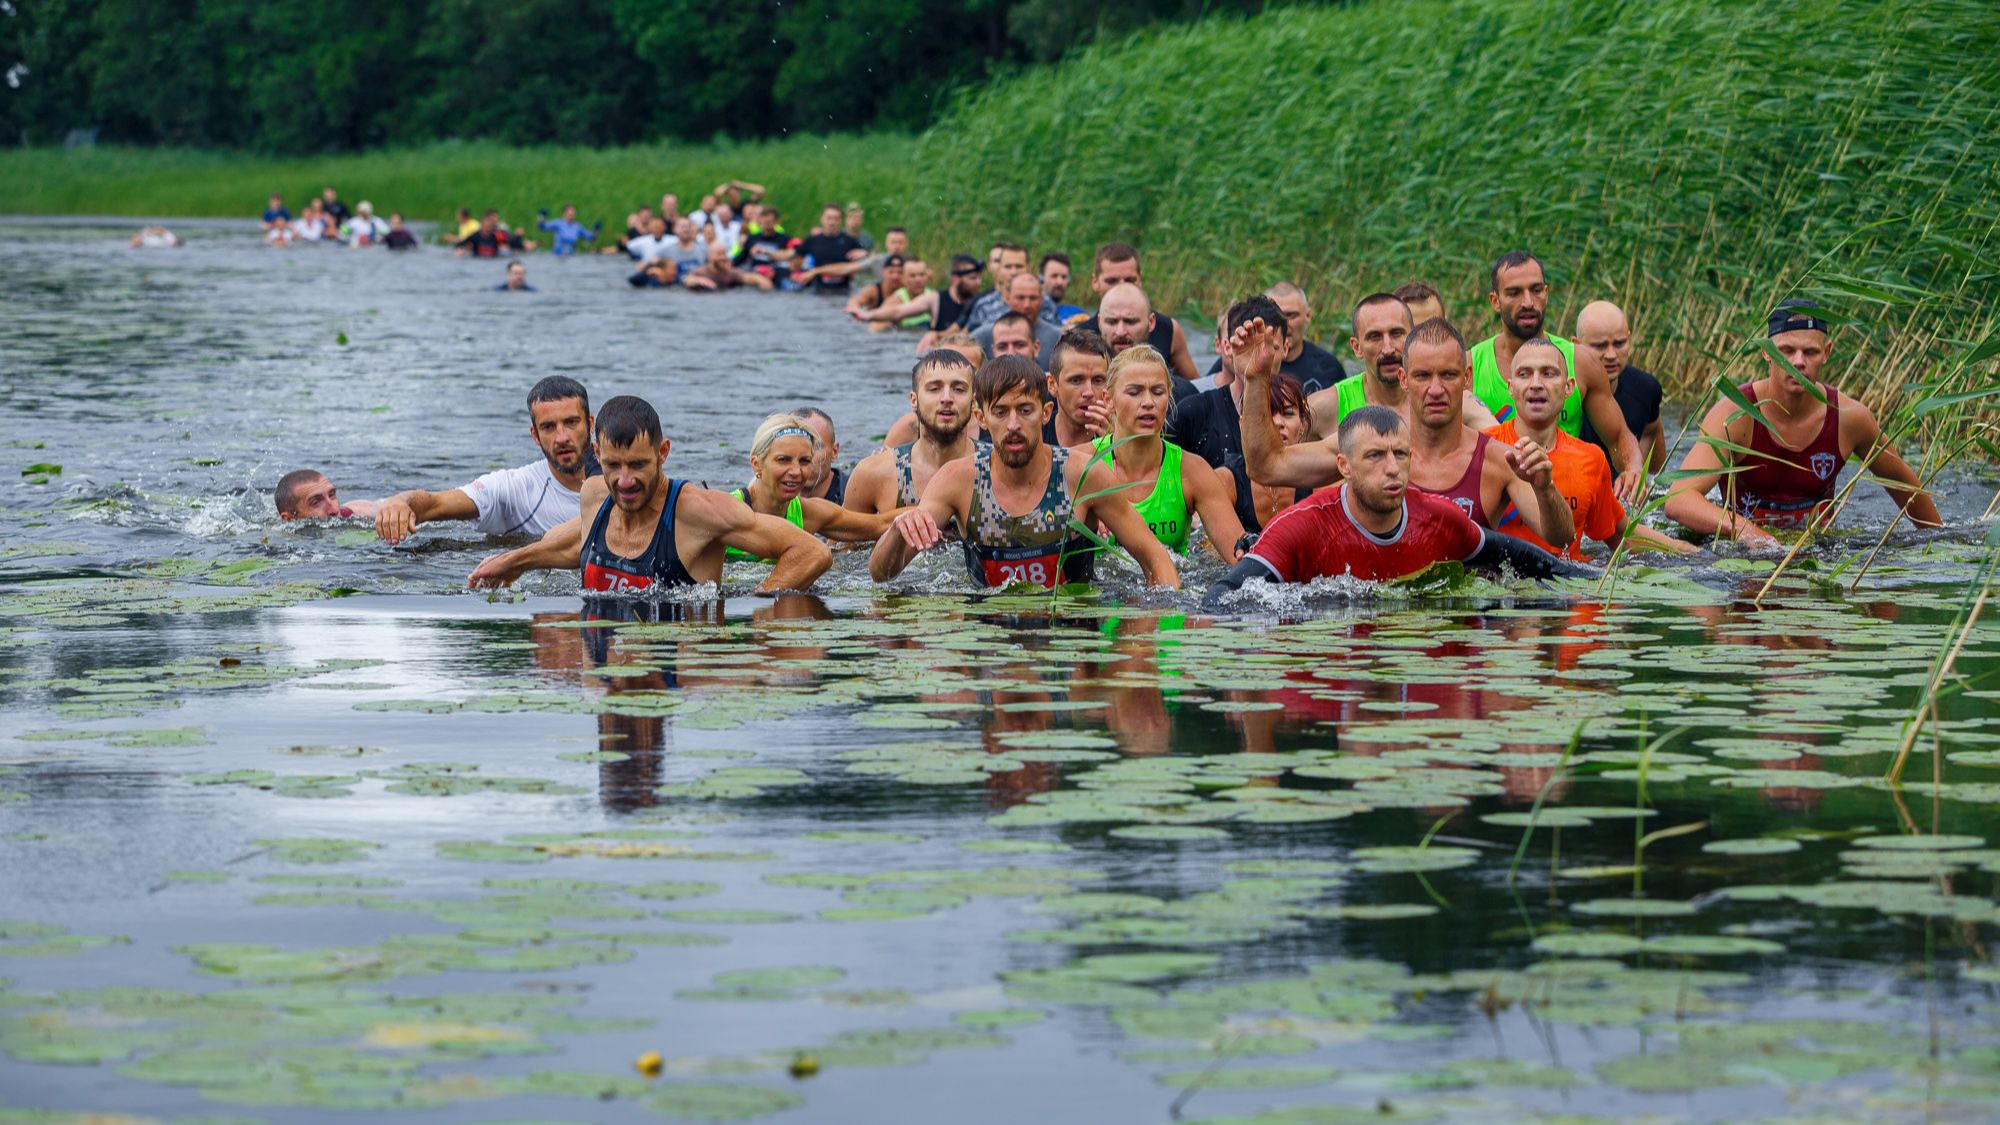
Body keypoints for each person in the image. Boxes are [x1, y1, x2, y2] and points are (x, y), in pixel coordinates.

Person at [1201, 406, 1594, 608]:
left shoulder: (1438, 518)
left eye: (1400, 454)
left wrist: (1591, 581)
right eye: (1375, 456)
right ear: (1344, 466)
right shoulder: (1299, 526)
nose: (1391, 468)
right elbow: (1224, 596)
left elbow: (1519, 557)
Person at [1237, 315, 1576, 547]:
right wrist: (1255, 380)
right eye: (1423, 376)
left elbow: (1561, 538)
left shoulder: (1498, 459)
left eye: (1448, 375)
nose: (1435, 389)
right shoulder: (1364, 444)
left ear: (1466, 378)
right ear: (1403, 379)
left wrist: (1545, 488)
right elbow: (1266, 467)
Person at [870, 355, 1180, 589]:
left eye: (1025, 410)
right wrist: (898, 530)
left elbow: (1155, 558)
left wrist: (1157, 631)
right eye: (1000, 412)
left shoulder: (1082, 475)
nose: (1013, 425)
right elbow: (881, 574)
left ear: (1045, 413)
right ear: (981, 417)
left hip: (1073, 633)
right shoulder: (958, 480)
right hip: (986, 635)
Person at [466, 396, 831, 594]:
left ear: (663, 453)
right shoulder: (594, 494)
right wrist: (514, 562)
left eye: (638, 464)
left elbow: (811, 552)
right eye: (613, 465)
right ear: (597, 455)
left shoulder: (698, 510)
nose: (625, 481)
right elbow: (576, 543)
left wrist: (759, 607)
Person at [1663, 299, 1941, 548]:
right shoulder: (1735, 414)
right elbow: (1678, 500)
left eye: (1810, 352)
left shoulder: (1849, 418)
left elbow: (1906, 487)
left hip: (1818, 551)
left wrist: (1942, 545)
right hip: (1742, 558)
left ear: (1826, 352)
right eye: (1787, 350)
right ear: (1766, 352)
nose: (1798, 362)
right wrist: (1745, 530)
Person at [1486, 339, 1693, 559]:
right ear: (1511, 387)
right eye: (1524, 374)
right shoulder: (1484, 447)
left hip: (1567, 578)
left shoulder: (1590, 459)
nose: (1536, 384)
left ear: (1568, 387)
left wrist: (1688, 552)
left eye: (1548, 373)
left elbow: (1620, 534)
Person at [1470, 251, 1643, 501]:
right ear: (1495, 301)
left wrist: (1633, 469)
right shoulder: (1470, 367)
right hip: (1499, 506)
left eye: (1536, 290)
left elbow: (1618, 436)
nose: (1528, 302)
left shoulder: (1581, 363)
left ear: (1546, 293)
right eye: (1514, 293)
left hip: (1566, 499)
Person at [371, 377, 597, 544]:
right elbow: (433, 504)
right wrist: (399, 503)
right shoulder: (515, 489)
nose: (561, 437)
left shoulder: (617, 480)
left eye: (571, 422)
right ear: (535, 436)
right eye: (548, 427)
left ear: (590, 424)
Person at [1091, 345, 1246, 562]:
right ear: (1108, 400)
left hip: (1175, 583)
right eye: (1134, 392)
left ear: (1168, 397)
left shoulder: (1192, 471)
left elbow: (1241, 559)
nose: (1148, 402)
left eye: (1157, 392)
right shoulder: (1082, 465)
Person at [1304, 294, 1496, 437]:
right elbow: (1285, 460)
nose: (1388, 349)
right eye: (1374, 337)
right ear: (1356, 347)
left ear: (1413, 337)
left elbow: (1504, 447)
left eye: (1396, 334)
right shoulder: (1327, 406)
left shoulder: (1453, 401)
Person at [724, 413, 890, 561]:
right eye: (783, 460)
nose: (796, 471)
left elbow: (879, 524)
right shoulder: (724, 513)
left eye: (805, 461)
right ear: (756, 464)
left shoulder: (808, 513)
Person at [1167, 294, 1291, 471]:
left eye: (1271, 348)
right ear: (1229, 348)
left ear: (1286, 348)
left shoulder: (1295, 413)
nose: (1261, 359)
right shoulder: (1193, 412)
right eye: (1252, 349)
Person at [846, 351, 980, 514]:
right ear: (914, 400)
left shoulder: (998, 468)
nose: (947, 398)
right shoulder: (873, 474)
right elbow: (846, 531)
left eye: (958, 389)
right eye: (934, 389)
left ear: (973, 402)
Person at [1075, 244, 1199, 382]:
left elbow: (1194, 383)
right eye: (1112, 281)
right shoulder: (1077, 337)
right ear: (1095, 282)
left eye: (1129, 280)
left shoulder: (1168, 329)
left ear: (1139, 280)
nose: (1122, 286)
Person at [1573, 300, 1667, 474]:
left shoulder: (1646, 389)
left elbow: (1657, 472)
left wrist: (1638, 477)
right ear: (1576, 346)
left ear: (1629, 339)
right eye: (1599, 346)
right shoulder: (1561, 392)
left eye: (1619, 344)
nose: (1611, 355)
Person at [1202, 282, 1346, 393]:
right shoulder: (1242, 361)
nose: (1284, 324)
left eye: (1291, 315)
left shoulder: (1329, 365)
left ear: (1308, 315)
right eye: (1276, 316)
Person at [1218, 373, 1316, 534]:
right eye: (1266, 414)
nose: (1278, 422)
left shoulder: (1320, 478)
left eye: (1288, 414)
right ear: (1244, 425)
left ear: (1302, 426)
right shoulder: (1225, 482)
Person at [862, 254, 981, 347]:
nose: (918, 280)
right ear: (903, 279)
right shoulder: (896, 300)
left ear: (927, 276)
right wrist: (892, 325)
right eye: (913, 276)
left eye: (921, 275)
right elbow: (874, 328)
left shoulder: (933, 297)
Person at [973, 274, 1063, 370]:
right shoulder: (981, 337)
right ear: (1007, 298)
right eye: (1020, 298)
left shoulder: (1058, 338)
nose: (1027, 305)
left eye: (1033, 298)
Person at [1043, 328, 1114, 448]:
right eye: (1076, 380)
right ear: (1052, 385)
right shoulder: (1034, 435)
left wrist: (1116, 451)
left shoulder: (1122, 439)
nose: (1089, 392)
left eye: (1097, 380)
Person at [963, 242, 1056, 332]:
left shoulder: (1045, 303)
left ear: (1028, 268)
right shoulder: (984, 306)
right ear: (999, 269)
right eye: (1008, 267)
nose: (1013, 272)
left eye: (1019, 266)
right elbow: (970, 338)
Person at [794, 203, 867, 292]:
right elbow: (794, 258)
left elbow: (870, 262)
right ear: (822, 219)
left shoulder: (850, 241)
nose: (832, 222)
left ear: (841, 221)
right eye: (829, 218)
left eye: (836, 219)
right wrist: (797, 274)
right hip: (818, 291)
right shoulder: (812, 240)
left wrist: (865, 254)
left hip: (843, 291)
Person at [792, 407, 847, 505]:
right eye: (793, 446)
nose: (803, 457)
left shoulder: (854, 495)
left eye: (815, 446)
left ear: (834, 452)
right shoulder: (768, 493)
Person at [275, 470, 378, 521]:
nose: (335, 510)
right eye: (316, 502)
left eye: (332, 495)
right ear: (289, 519)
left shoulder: (355, 513)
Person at [735, 206, 798, 284]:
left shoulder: (784, 239)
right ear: (759, 222)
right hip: (756, 273)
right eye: (764, 222)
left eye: (769, 222)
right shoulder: (752, 238)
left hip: (776, 273)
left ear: (776, 222)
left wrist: (764, 252)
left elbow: (792, 256)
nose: (766, 225)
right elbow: (740, 258)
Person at [682, 242, 772, 291]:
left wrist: (760, 280)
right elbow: (687, 279)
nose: (723, 257)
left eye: (724, 254)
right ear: (709, 256)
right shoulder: (701, 272)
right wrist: (699, 280)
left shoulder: (730, 273)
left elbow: (747, 277)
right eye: (719, 254)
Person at [843, 254, 908, 321]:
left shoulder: (908, 290)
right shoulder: (873, 290)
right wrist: (856, 310)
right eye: (891, 272)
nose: (895, 276)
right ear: (883, 272)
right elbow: (855, 301)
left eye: (899, 272)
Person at [1042, 252, 1086, 322]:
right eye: (1054, 276)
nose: (1060, 282)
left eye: (1064, 277)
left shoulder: (1079, 315)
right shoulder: (1032, 312)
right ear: (1041, 278)